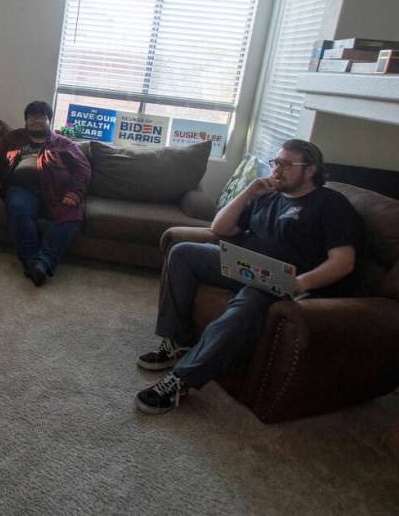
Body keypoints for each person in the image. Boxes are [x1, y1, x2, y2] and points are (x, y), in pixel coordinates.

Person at [135, 139, 360, 414]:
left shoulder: (331, 204)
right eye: (277, 163)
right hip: (243, 264)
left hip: (282, 279)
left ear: (311, 170)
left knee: (246, 305)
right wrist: (251, 189)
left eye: (287, 164)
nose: (278, 169)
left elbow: (343, 261)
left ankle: (181, 380)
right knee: (183, 253)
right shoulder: (266, 196)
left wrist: (300, 283)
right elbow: (220, 228)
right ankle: (177, 341)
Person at [0, 100, 91, 287]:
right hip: (23, 190)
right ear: (26, 120)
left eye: (41, 117)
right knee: (18, 209)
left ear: (49, 120)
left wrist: (74, 193)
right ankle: (33, 261)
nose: (36, 121)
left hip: (57, 193)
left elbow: (83, 169)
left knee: (71, 215)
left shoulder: (64, 144)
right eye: (32, 117)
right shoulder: (14, 138)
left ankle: (43, 262)